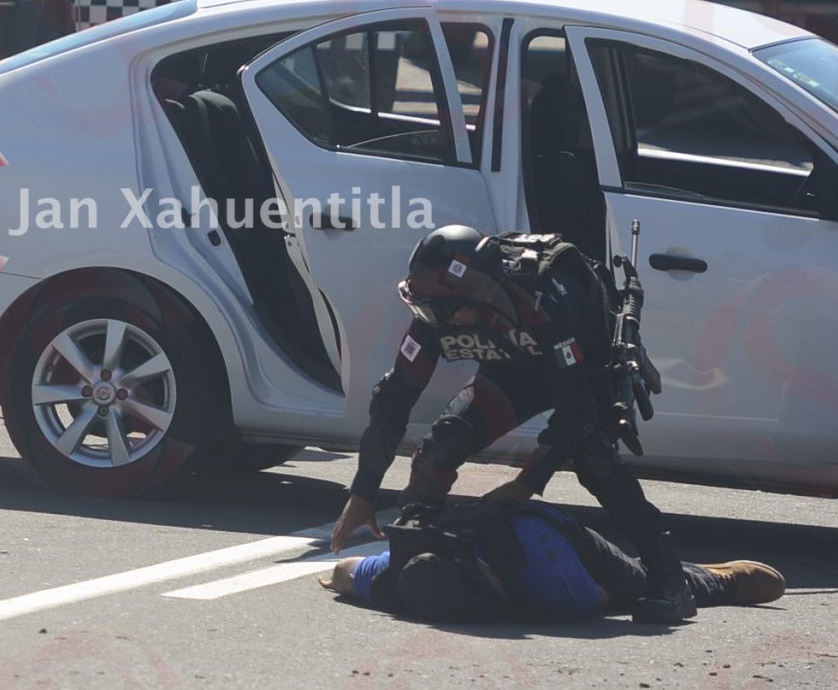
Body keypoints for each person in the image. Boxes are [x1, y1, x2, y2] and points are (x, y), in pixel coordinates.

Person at [328, 226, 699, 623]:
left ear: (478, 292)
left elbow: (576, 409)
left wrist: (526, 483)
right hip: (512, 372)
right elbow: (394, 398)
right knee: (441, 447)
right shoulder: (436, 306)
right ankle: (422, 545)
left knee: (594, 459)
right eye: (423, 310)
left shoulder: (548, 297)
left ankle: (669, 581)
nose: (433, 321)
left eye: (439, 311)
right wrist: (363, 491)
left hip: (581, 374)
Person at [323, 497, 782, 625]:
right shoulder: (396, 579)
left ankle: (721, 580)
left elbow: (600, 598)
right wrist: (336, 578)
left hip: (548, 536)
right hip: (483, 535)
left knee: (639, 588)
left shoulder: (557, 585)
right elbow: (343, 574)